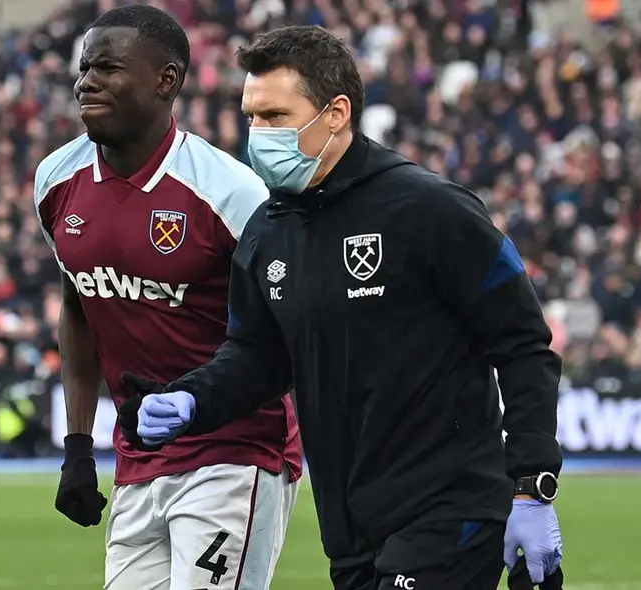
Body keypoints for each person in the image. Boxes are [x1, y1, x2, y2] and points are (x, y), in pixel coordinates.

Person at [127, 26, 565, 590]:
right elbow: (259, 357)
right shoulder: (267, 231)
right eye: (252, 116)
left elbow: (523, 342)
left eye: (276, 116)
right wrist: (192, 397)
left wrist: (532, 485)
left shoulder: (429, 210)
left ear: (336, 113)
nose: (257, 134)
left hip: (446, 507)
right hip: (348, 523)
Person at [32, 6, 303, 589]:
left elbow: (288, 334)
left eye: (108, 67)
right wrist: (78, 445)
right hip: (139, 456)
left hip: (236, 448)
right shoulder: (56, 181)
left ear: (167, 80)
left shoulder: (231, 192)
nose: (88, 81)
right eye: (84, 68)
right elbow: (79, 309)